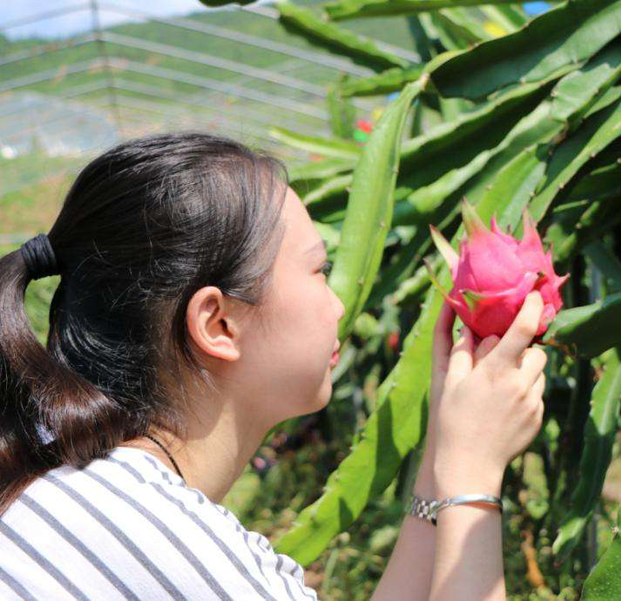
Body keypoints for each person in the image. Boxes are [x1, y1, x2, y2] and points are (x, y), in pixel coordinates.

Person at [0, 131, 547, 600]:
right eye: (319, 270)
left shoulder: (62, 473)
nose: (338, 303)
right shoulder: (190, 561)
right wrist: (474, 479)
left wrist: (445, 454)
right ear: (219, 325)